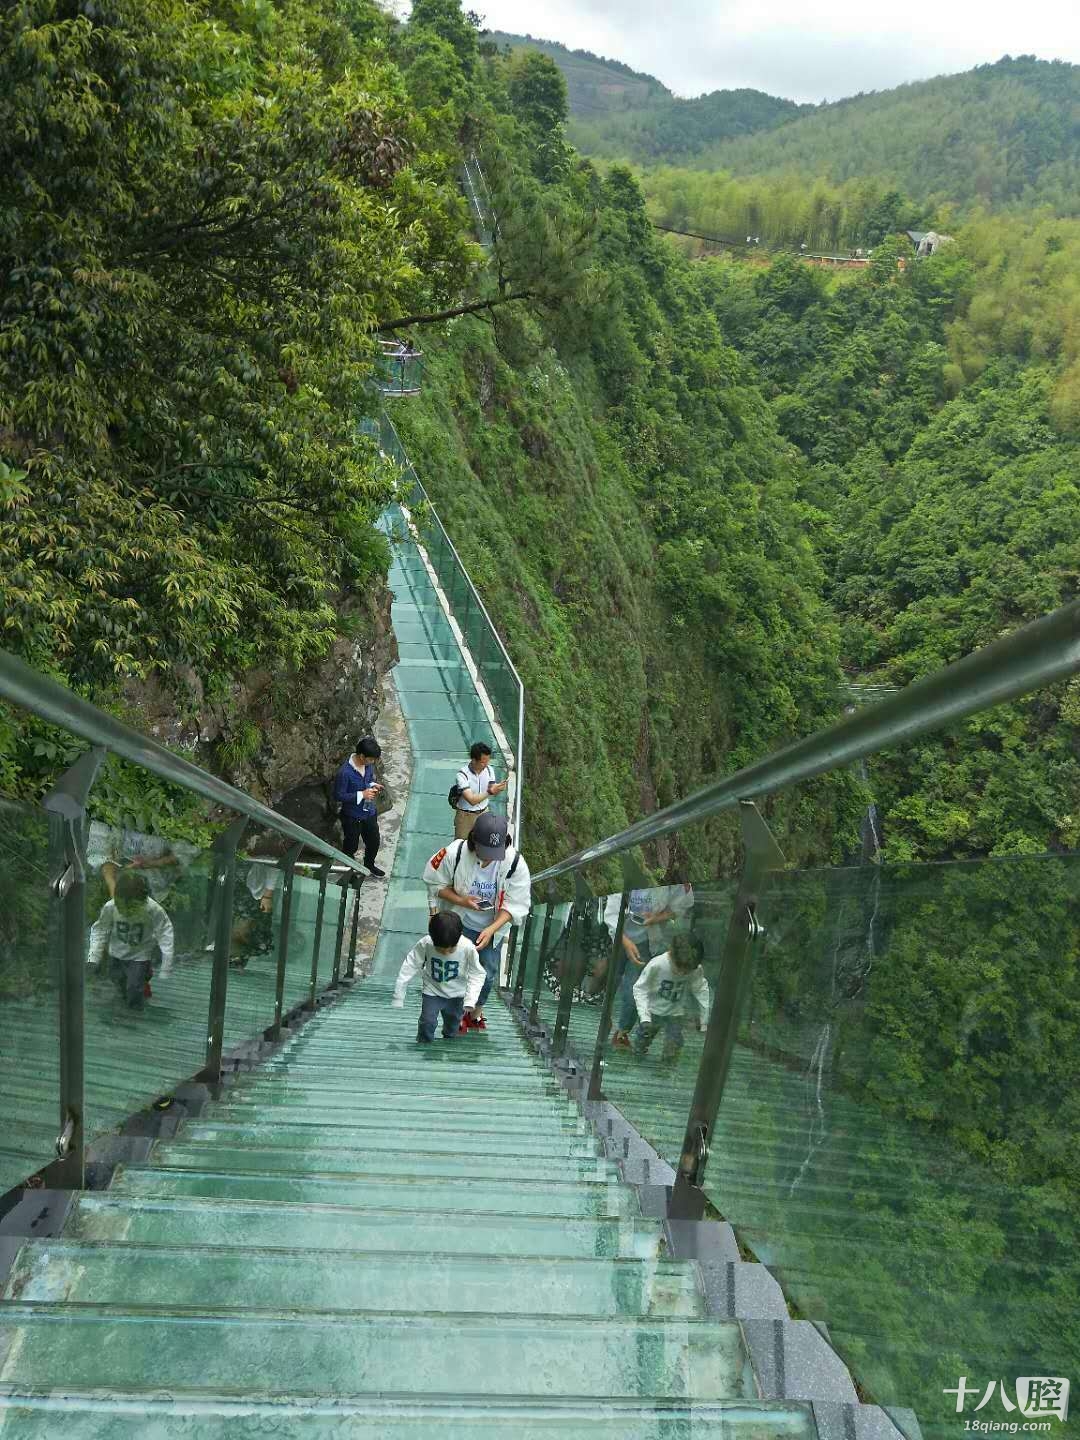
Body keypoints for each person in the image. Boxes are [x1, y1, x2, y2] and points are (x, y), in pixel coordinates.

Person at [423, 812, 531, 1032]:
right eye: (485, 851)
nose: (490, 858)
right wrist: (462, 900)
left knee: (487, 971)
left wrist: (491, 930)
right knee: (454, 969)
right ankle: (452, 1014)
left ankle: (474, 1014)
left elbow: (515, 903)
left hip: (492, 927)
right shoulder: (455, 853)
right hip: (459, 922)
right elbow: (434, 884)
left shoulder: (514, 863)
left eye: (495, 852)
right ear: (474, 840)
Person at [605, 883, 695, 1049]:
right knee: (609, 982)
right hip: (615, 936)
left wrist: (658, 918)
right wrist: (624, 942)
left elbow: (682, 904)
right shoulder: (627, 871)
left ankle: (622, 1033)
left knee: (633, 990)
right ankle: (605, 1022)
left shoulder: (673, 877)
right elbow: (611, 912)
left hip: (645, 941)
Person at [391, 911, 486, 1043]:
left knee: (453, 1023)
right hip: (432, 991)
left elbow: (478, 973)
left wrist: (471, 999)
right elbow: (410, 964)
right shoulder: (426, 943)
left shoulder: (467, 947)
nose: (446, 953)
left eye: (451, 949)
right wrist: (398, 995)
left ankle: (448, 1041)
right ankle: (424, 1044)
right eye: (441, 949)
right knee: (427, 1021)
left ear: (459, 936)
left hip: (457, 994)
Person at [87, 870, 174, 1010]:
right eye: (122, 906)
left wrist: (167, 965)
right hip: (116, 954)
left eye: (132, 907)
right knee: (118, 982)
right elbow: (100, 930)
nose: (126, 911)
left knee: (133, 989)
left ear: (144, 900)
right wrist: (94, 956)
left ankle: (135, 1014)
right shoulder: (111, 907)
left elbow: (165, 933)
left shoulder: (153, 910)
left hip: (140, 956)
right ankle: (138, 986)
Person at [631, 932, 710, 1061]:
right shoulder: (658, 964)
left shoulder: (695, 967)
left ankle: (668, 1063)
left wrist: (704, 1019)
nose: (682, 973)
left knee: (675, 1041)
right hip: (653, 1010)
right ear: (671, 955)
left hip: (675, 1012)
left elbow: (700, 989)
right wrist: (645, 1017)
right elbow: (640, 988)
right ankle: (638, 1054)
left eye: (687, 971)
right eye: (679, 969)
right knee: (644, 1037)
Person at [333, 736, 385, 877]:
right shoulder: (344, 773)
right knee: (351, 846)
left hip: (369, 812)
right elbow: (339, 795)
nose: (372, 762)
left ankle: (369, 865)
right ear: (362, 756)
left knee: (374, 842)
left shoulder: (367, 765)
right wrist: (362, 794)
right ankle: (348, 873)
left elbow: (367, 780)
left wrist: (373, 785)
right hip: (352, 817)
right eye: (371, 759)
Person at [453, 741, 507, 841]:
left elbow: (492, 789)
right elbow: (472, 800)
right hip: (466, 816)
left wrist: (498, 788)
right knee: (461, 844)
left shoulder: (489, 770)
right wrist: (490, 791)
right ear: (473, 760)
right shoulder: (462, 775)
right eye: (483, 762)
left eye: (488, 761)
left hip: (484, 813)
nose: (486, 764)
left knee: (483, 843)